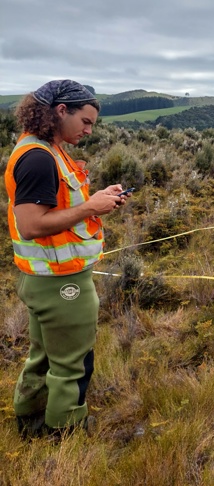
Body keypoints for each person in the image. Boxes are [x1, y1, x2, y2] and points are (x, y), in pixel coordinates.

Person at [4, 79, 130, 439]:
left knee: (44, 355)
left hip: (44, 276)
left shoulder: (45, 148)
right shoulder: (39, 158)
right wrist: (91, 207)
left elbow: (59, 206)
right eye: (85, 121)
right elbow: (31, 225)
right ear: (61, 111)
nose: (89, 130)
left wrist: (97, 198)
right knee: (73, 361)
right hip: (60, 281)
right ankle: (66, 431)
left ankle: (29, 420)